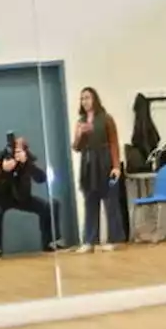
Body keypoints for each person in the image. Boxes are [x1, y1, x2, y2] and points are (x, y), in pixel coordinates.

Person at [0, 136, 64, 259]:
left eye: (19, 151)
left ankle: (49, 243)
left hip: (21, 197)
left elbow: (41, 178)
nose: (16, 154)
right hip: (0, 197)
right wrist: (4, 170)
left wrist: (27, 163)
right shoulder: (1, 157)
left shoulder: (27, 160)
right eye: (14, 150)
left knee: (48, 206)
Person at [73, 87, 125, 252]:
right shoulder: (80, 121)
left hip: (105, 162)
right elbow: (76, 147)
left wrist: (116, 166)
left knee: (111, 202)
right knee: (90, 202)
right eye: (82, 99)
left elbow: (114, 143)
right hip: (88, 164)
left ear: (95, 99)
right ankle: (89, 241)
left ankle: (114, 239)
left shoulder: (106, 119)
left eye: (88, 98)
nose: (85, 101)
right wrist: (81, 134)